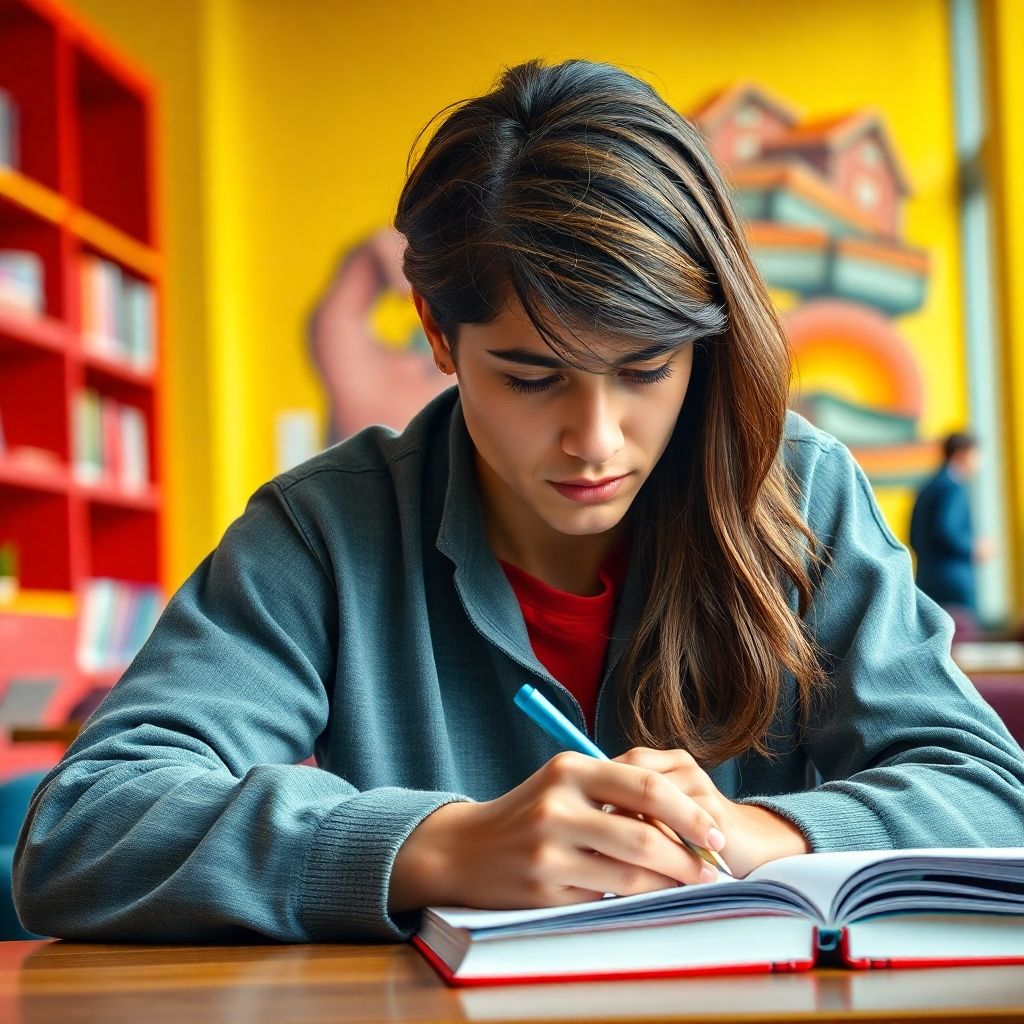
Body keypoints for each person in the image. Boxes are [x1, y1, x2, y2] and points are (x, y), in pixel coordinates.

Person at [13, 59, 1024, 945]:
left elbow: (992, 795)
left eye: (644, 367)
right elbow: (80, 829)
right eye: (531, 377)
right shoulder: (323, 530)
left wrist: (756, 833)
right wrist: (437, 845)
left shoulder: (798, 494)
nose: (595, 438)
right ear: (439, 339)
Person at [909, 432, 991, 622]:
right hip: (954, 579)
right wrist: (973, 548)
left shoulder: (929, 486)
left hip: (928, 576)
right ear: (961, 454)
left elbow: (914, 536)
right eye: (976, 454)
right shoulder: (952, 487)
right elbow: (946, 529)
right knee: (963, 635)